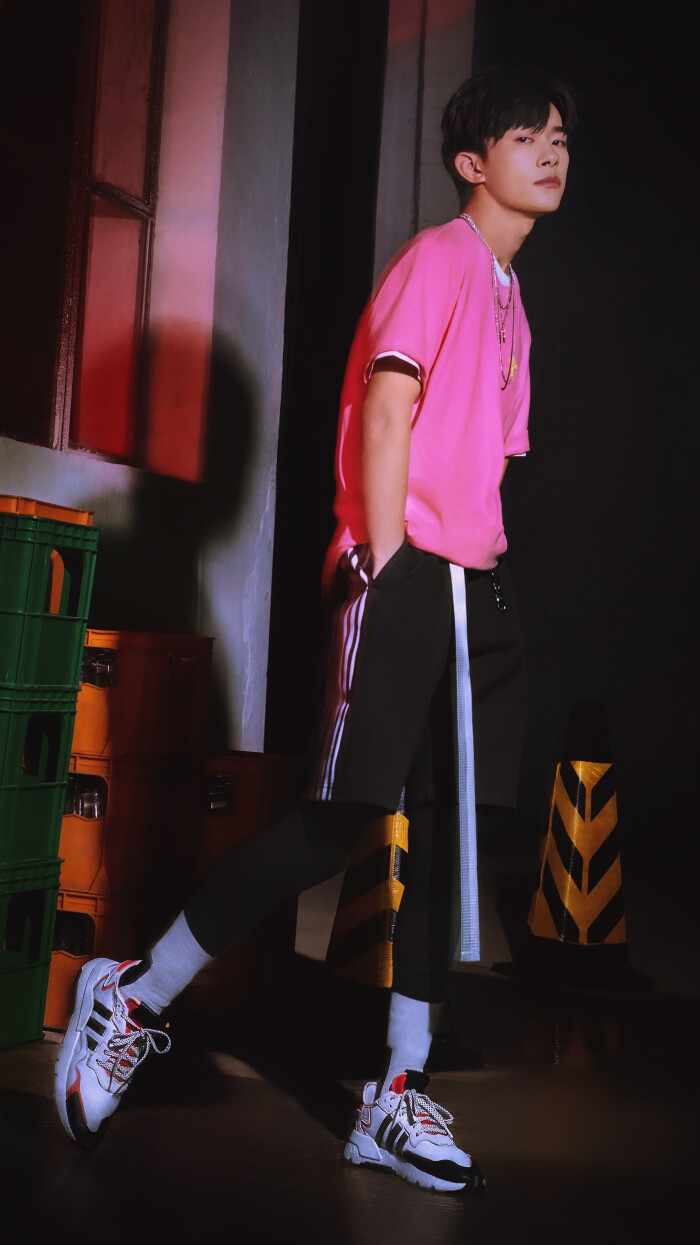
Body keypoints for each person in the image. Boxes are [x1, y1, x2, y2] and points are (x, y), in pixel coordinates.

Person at [54, 65, 576, 1192]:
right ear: (471, 162)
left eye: (559, 138)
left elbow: (484, 458)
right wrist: (389, 566)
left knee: (450, 845)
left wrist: (472, 582)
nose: (551, 151)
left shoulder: (509, 298)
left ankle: (395, 1094)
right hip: (408, 573)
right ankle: (135, 993)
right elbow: (387, 411)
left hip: (474, 589)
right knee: (335, 822)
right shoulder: (439, 260)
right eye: (527, 137)